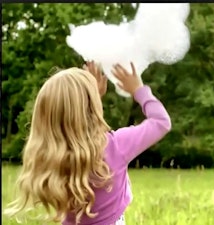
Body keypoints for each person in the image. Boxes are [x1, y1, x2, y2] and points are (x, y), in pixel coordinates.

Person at [3, 61, 171, 225]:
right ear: (91, 107)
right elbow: (161, 122)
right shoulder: (115, 146)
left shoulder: (49, 158)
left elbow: (74, 126)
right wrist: (138, 90)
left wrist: (90, 97)